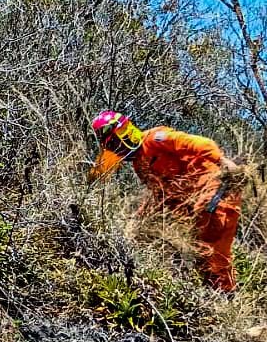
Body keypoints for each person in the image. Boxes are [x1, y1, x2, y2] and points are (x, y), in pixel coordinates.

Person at [89, 110, 241, 292]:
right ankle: (218, 293)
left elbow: (200, 144)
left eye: (114, 144)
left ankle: (225, 293)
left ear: (124, 133)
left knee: (214, 250)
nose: (116, 150)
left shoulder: (156, 138)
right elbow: (160, 193)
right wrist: (141, 217)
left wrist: (223, 161)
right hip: (198, 207)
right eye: (111, 147)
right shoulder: (139, 164)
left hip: (217, 191)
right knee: (202, 253)